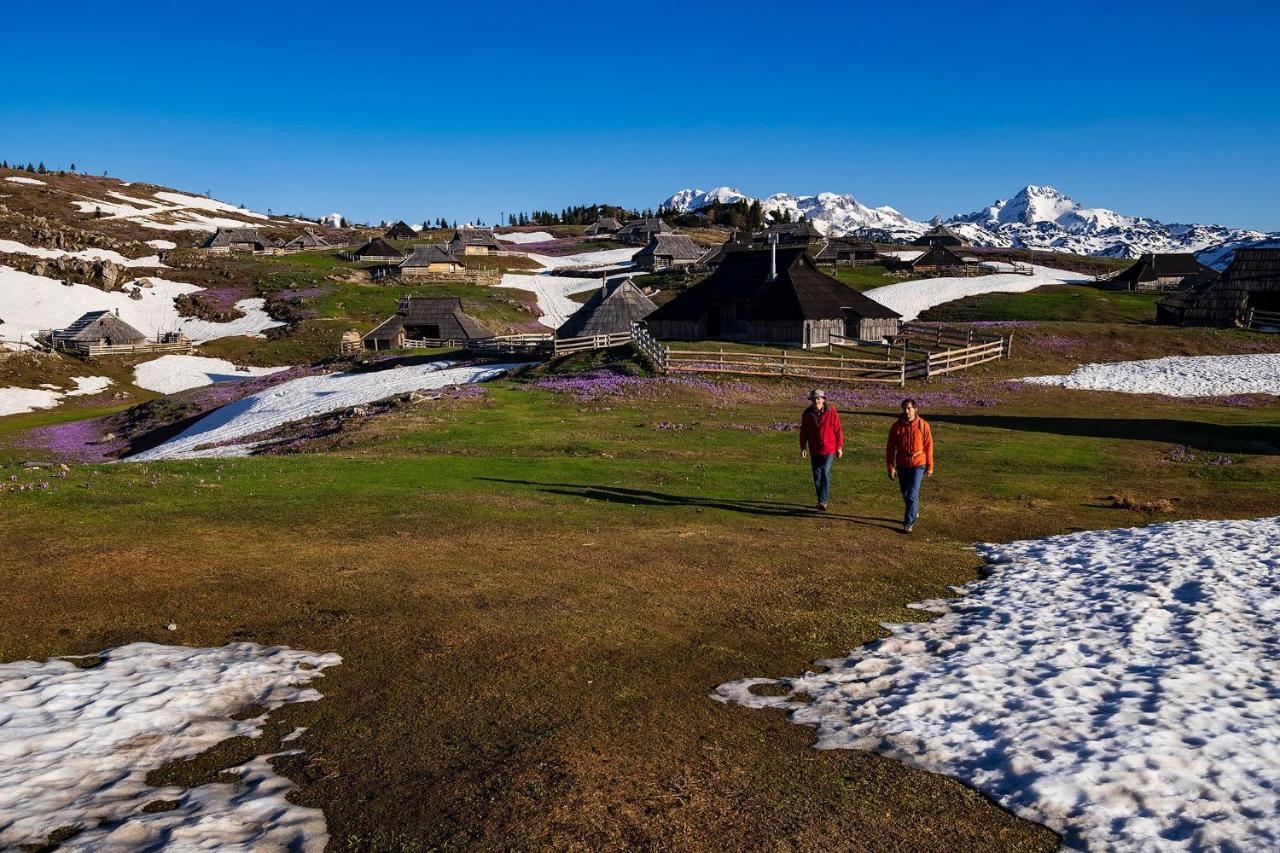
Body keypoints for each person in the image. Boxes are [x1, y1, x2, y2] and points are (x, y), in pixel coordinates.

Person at [886, 398, 934, 533]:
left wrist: (930, 465)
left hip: (918, 464)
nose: (907, 411)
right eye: (904, 409)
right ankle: (914, 511)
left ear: (915, 409)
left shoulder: (923, 425)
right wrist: (891, 467)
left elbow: (928, 446)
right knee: (906, 493)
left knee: (912, 494)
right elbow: (890, 448)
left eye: (909, 408)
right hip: (902, 464)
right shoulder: (896, 427)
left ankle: (909, 523)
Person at [799, 389, 843, 511]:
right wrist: (803, 447)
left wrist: (839, 447)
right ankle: (820, 500)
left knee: (825, 471)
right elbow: (804, 432)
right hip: (815, 449)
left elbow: (838, 430)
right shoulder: (807, 413)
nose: (816, 401)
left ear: (823, 400)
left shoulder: (831, 412)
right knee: (817, 475)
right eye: (814, 399)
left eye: (819, 398)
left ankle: (823, 501)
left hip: (829, 448)